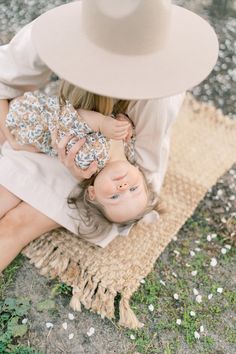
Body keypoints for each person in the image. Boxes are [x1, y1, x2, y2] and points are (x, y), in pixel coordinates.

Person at [0, 0, 218, 271]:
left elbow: (145, 174)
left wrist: (83, 179)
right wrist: (9, 134)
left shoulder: (159, 95)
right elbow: (4, 73)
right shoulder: (65, 29)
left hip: (96, 180)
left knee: (15, 225)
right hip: (49, 132)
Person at [3, 83, 160, 229]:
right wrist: (123, 121)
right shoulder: (128, 152)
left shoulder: (89, 160)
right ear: (140, 173)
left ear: (93, 193)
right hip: (54, 95)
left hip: (29, 114)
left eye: (114, 197)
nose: (123, 187)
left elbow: (68, 119)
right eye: (134, 188)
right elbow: (118, 122)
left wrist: (101, 123)